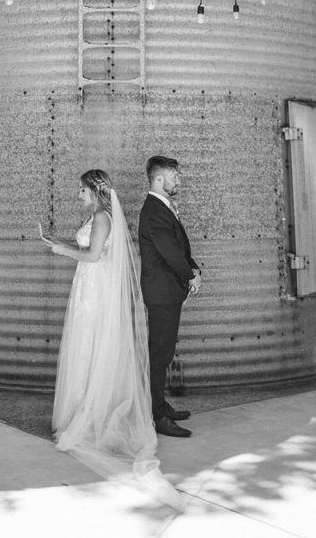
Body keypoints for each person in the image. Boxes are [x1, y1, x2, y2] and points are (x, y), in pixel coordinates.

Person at [41, 169, 158, 477]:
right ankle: (82, 409)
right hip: (89, 285)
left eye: (82, 190)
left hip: (95, 289)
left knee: (90, 344)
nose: (78, 194)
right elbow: (91, 249)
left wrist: (60, 250)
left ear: (93, 190)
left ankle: (92, 416)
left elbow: (93, 256)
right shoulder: (97, 216)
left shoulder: (103, 217)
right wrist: (62, 241)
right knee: (84, 345)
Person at [138, 155, 201, 438]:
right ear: (159, 179)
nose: (180, 180)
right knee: (159, 354)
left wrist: (194, 268)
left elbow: (179, 247)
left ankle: (160, 406)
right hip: (162, 292)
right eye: (175, 176)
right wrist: (191, 274)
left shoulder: (161, 207)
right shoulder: (153, 211)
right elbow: (170, 252)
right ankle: (157, 415)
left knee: (162, 353)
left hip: (166, 290)